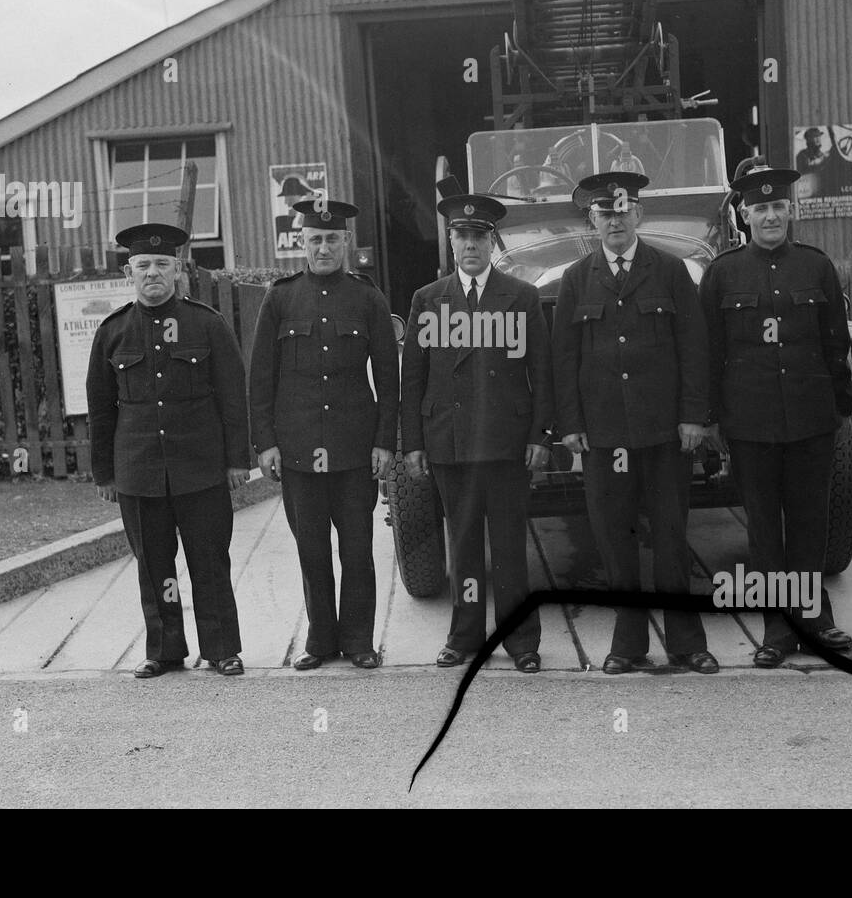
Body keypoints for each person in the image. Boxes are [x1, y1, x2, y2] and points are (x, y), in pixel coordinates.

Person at [552, 172, 719, 675]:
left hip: (664, 433)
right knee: (614, 543)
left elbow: (694, 349)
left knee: (671, 539)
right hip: (605, 437)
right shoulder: (576, 279)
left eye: (623, 212)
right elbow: (564, 360)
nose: (616, 221)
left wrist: (694, 417)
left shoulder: (670, 271)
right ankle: (627, 645)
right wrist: (571, 425)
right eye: (605, 213)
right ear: (593, 220)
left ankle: (688, 643)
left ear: (639, 215)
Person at [699, 168, 852, 667]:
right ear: (744, 216)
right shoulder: (722, 273)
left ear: (790, 212)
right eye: (760, 209)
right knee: (764, 528)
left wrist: (842, 409)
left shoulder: (816, 267)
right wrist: (713, 419)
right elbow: (710, 352)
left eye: (778, 207)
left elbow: (836, 343)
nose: (770, 216)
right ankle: (776, 629)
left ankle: (815, 620)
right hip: (750, 423)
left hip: (811, 418)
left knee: (810, 521)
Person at [86, 222, 250, 678]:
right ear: (128, 273)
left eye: (162, 264)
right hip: (138, 472)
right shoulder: (113, 332)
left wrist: (238, 460)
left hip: (201, 470)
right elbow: (100, 409)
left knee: (210, 561)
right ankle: (164, 649)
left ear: (178, 270)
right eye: (143, 266)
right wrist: (104, 474)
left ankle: (221, 649)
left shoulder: (206, 324)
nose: (152, 273)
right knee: (155, 565)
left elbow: (233, 396)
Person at [400, 194, 552, 672]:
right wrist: (415, 444)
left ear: (493, 242)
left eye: (479, 236)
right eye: (462, 236)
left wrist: (538, 437)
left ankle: (521, 641)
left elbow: (541, 372)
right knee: (463, 544)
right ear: (450, 241)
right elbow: (413, 380)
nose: (470, 245)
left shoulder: (521, 297)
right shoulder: (428, 299)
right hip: (450, 441)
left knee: (509, 546)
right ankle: (464, 636)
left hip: (506, 443)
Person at [249, 199, 399, 669]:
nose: (324, 247)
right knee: (311, 550)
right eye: (315, 239)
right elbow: (260, 377)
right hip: (296, 450)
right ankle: (319, 641)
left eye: (333, 239)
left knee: (357, 550)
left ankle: (358, 641)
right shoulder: (280, 297)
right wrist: (266, 443)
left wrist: (384, 441)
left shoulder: (368, 298)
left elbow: (388, 377)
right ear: (301, 243)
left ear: (346, 243)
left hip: (355, 448)